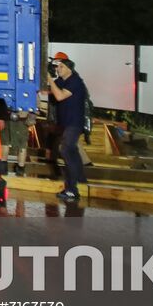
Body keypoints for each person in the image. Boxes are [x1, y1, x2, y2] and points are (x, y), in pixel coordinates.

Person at [45, 51, 88, 201]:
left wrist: (49, 78)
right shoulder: (63, 81)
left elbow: (59, 96)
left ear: (69, 67)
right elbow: (47, 90)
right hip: (68, 123)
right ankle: (80, 180)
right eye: (57, 67)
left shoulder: (74, 81)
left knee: (66, 150)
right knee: (72, 151)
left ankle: (72, 189)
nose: (58, 69)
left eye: (61, 66)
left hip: (74, 123)